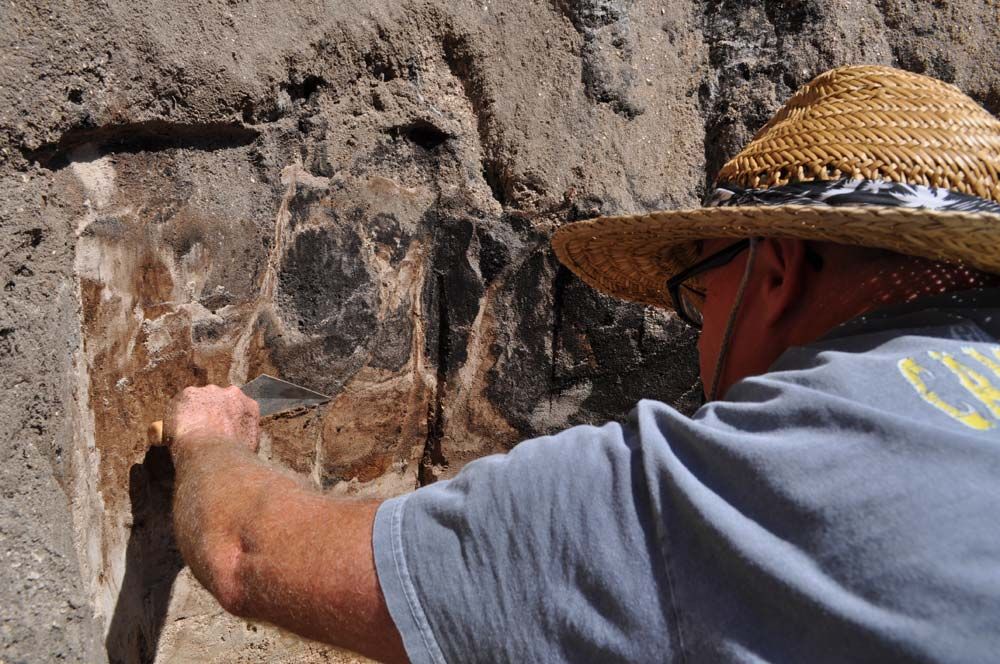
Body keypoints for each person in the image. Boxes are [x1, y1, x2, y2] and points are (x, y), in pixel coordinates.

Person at [162, 65, 1000, 663]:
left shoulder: (750, 479)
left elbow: (248, 554)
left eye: (696, 298)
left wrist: (208, 444)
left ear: (773, 273)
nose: (696, 338)